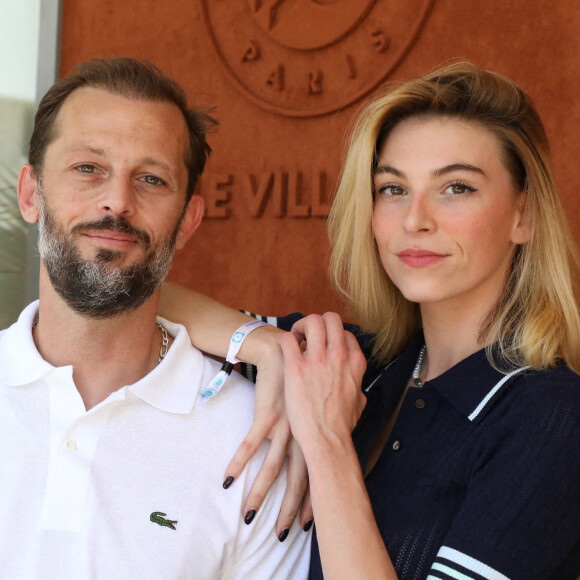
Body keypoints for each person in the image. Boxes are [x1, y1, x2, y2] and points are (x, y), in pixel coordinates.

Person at [160, 62, 580, 579]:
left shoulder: (553, 415)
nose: (414, 220)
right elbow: (146, 300)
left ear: (524, 215)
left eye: (457, 188)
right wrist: (267, 346)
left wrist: (328, 440)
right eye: (393, 189)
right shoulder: (362, 363)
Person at [0, 57, 311, 579]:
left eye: (150, 178)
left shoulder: (255, 440)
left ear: (188, 221)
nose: (117, 201)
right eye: (87, 168)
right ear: (31, 194)